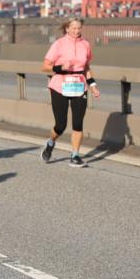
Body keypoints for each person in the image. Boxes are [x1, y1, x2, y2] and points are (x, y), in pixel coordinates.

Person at [41, 17, 100, 168]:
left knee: (78, 123)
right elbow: (45, 66)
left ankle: (75, 156)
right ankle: (51, 142)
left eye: (79, 28)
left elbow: (86, 67)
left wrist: (93, 85)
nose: (76, 31)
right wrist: (60, 67)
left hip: (79, 86)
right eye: (73, 28)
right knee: (60, 125)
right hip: (60, 85)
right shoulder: (59, 44)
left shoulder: (85, 45)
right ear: (67, 28)